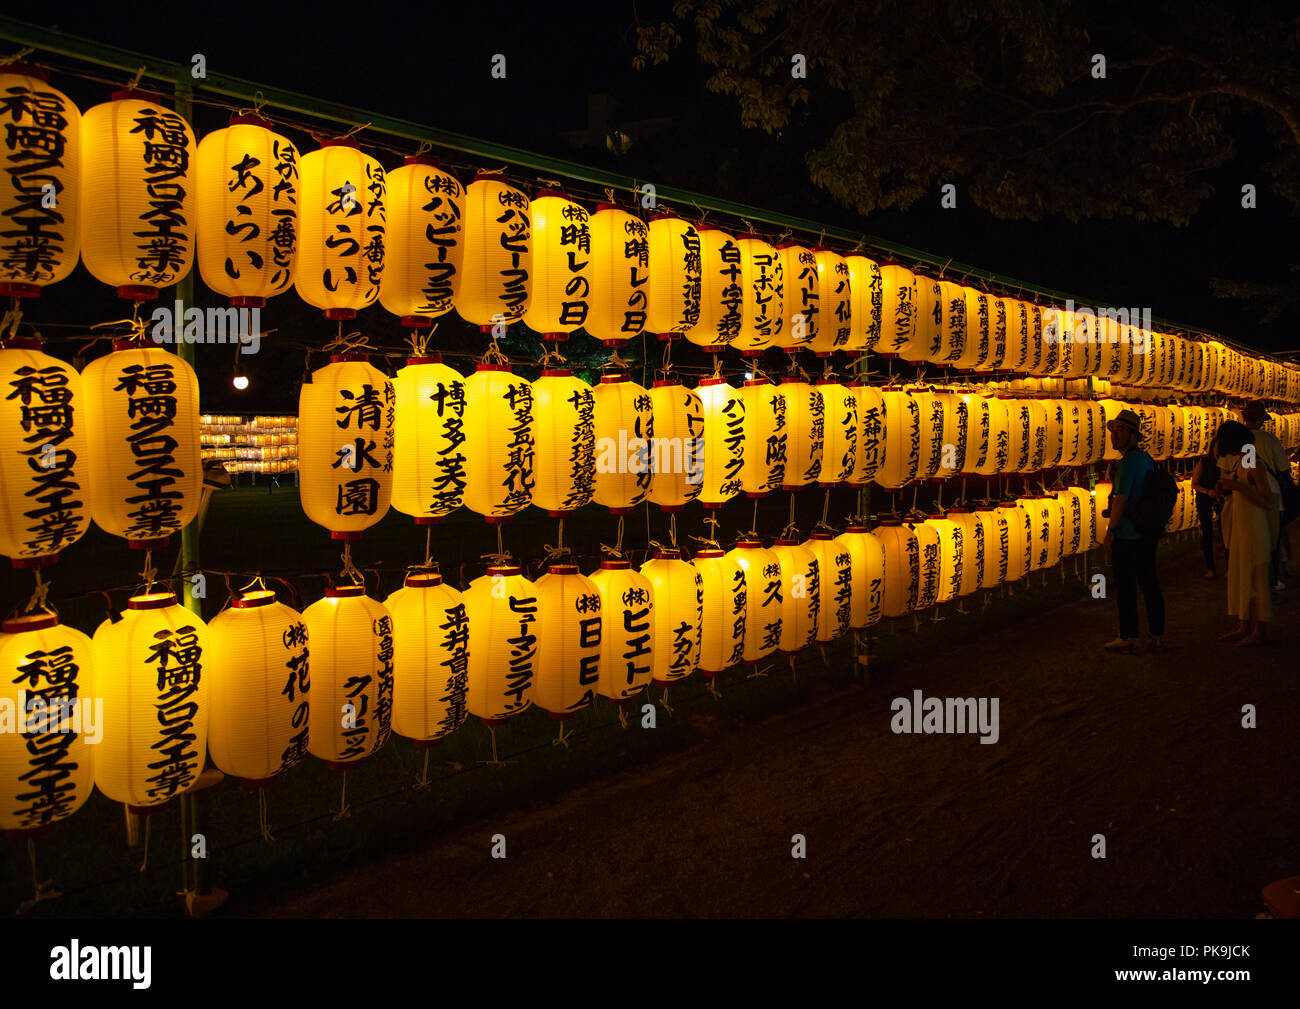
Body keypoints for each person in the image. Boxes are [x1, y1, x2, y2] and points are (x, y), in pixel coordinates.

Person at [1101, 408, 1165, 654]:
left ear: (1134, 435)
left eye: (1121, 430)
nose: (1115, 436)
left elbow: (1120, 499)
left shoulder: (1128, 462)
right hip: (1147, 533)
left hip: (1129, 534)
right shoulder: (1147, 459)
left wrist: (1111, 531)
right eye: (1113, 431)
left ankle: (1128, 635)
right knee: (1150, 584)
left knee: (1127, 587)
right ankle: (1156, 635)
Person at [1215, 420, 1278, 646]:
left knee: (1255, 575)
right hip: (1244, 526)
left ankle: (1259, 630)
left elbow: (1266, 499)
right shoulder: (1243, 460)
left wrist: (1236, 486)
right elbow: (1243, 484)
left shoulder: (1252, 461)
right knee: (1242, 572)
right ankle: (1245, 625)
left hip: (1254, 527)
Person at [1240, 402, 1288, 589]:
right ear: (1260, 420)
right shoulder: (1269, 439)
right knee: (1273, 538)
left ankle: (1254, 579)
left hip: (1250, 493)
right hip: (1271, 491)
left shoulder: (1243, 442)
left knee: (1254, 539)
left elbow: (1247, 468)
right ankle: (1273, 579)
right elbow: (1283, 467)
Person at [1191, 449, 1224, 578]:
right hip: (1204, 498)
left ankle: (1229, 566)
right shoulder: (1204, 462)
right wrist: (1208, 492)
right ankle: (1210, 567)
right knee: (1207, 531)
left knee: (1225, 531)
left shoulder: (1226, 462)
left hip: (1220, 499)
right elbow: (1194, 483)